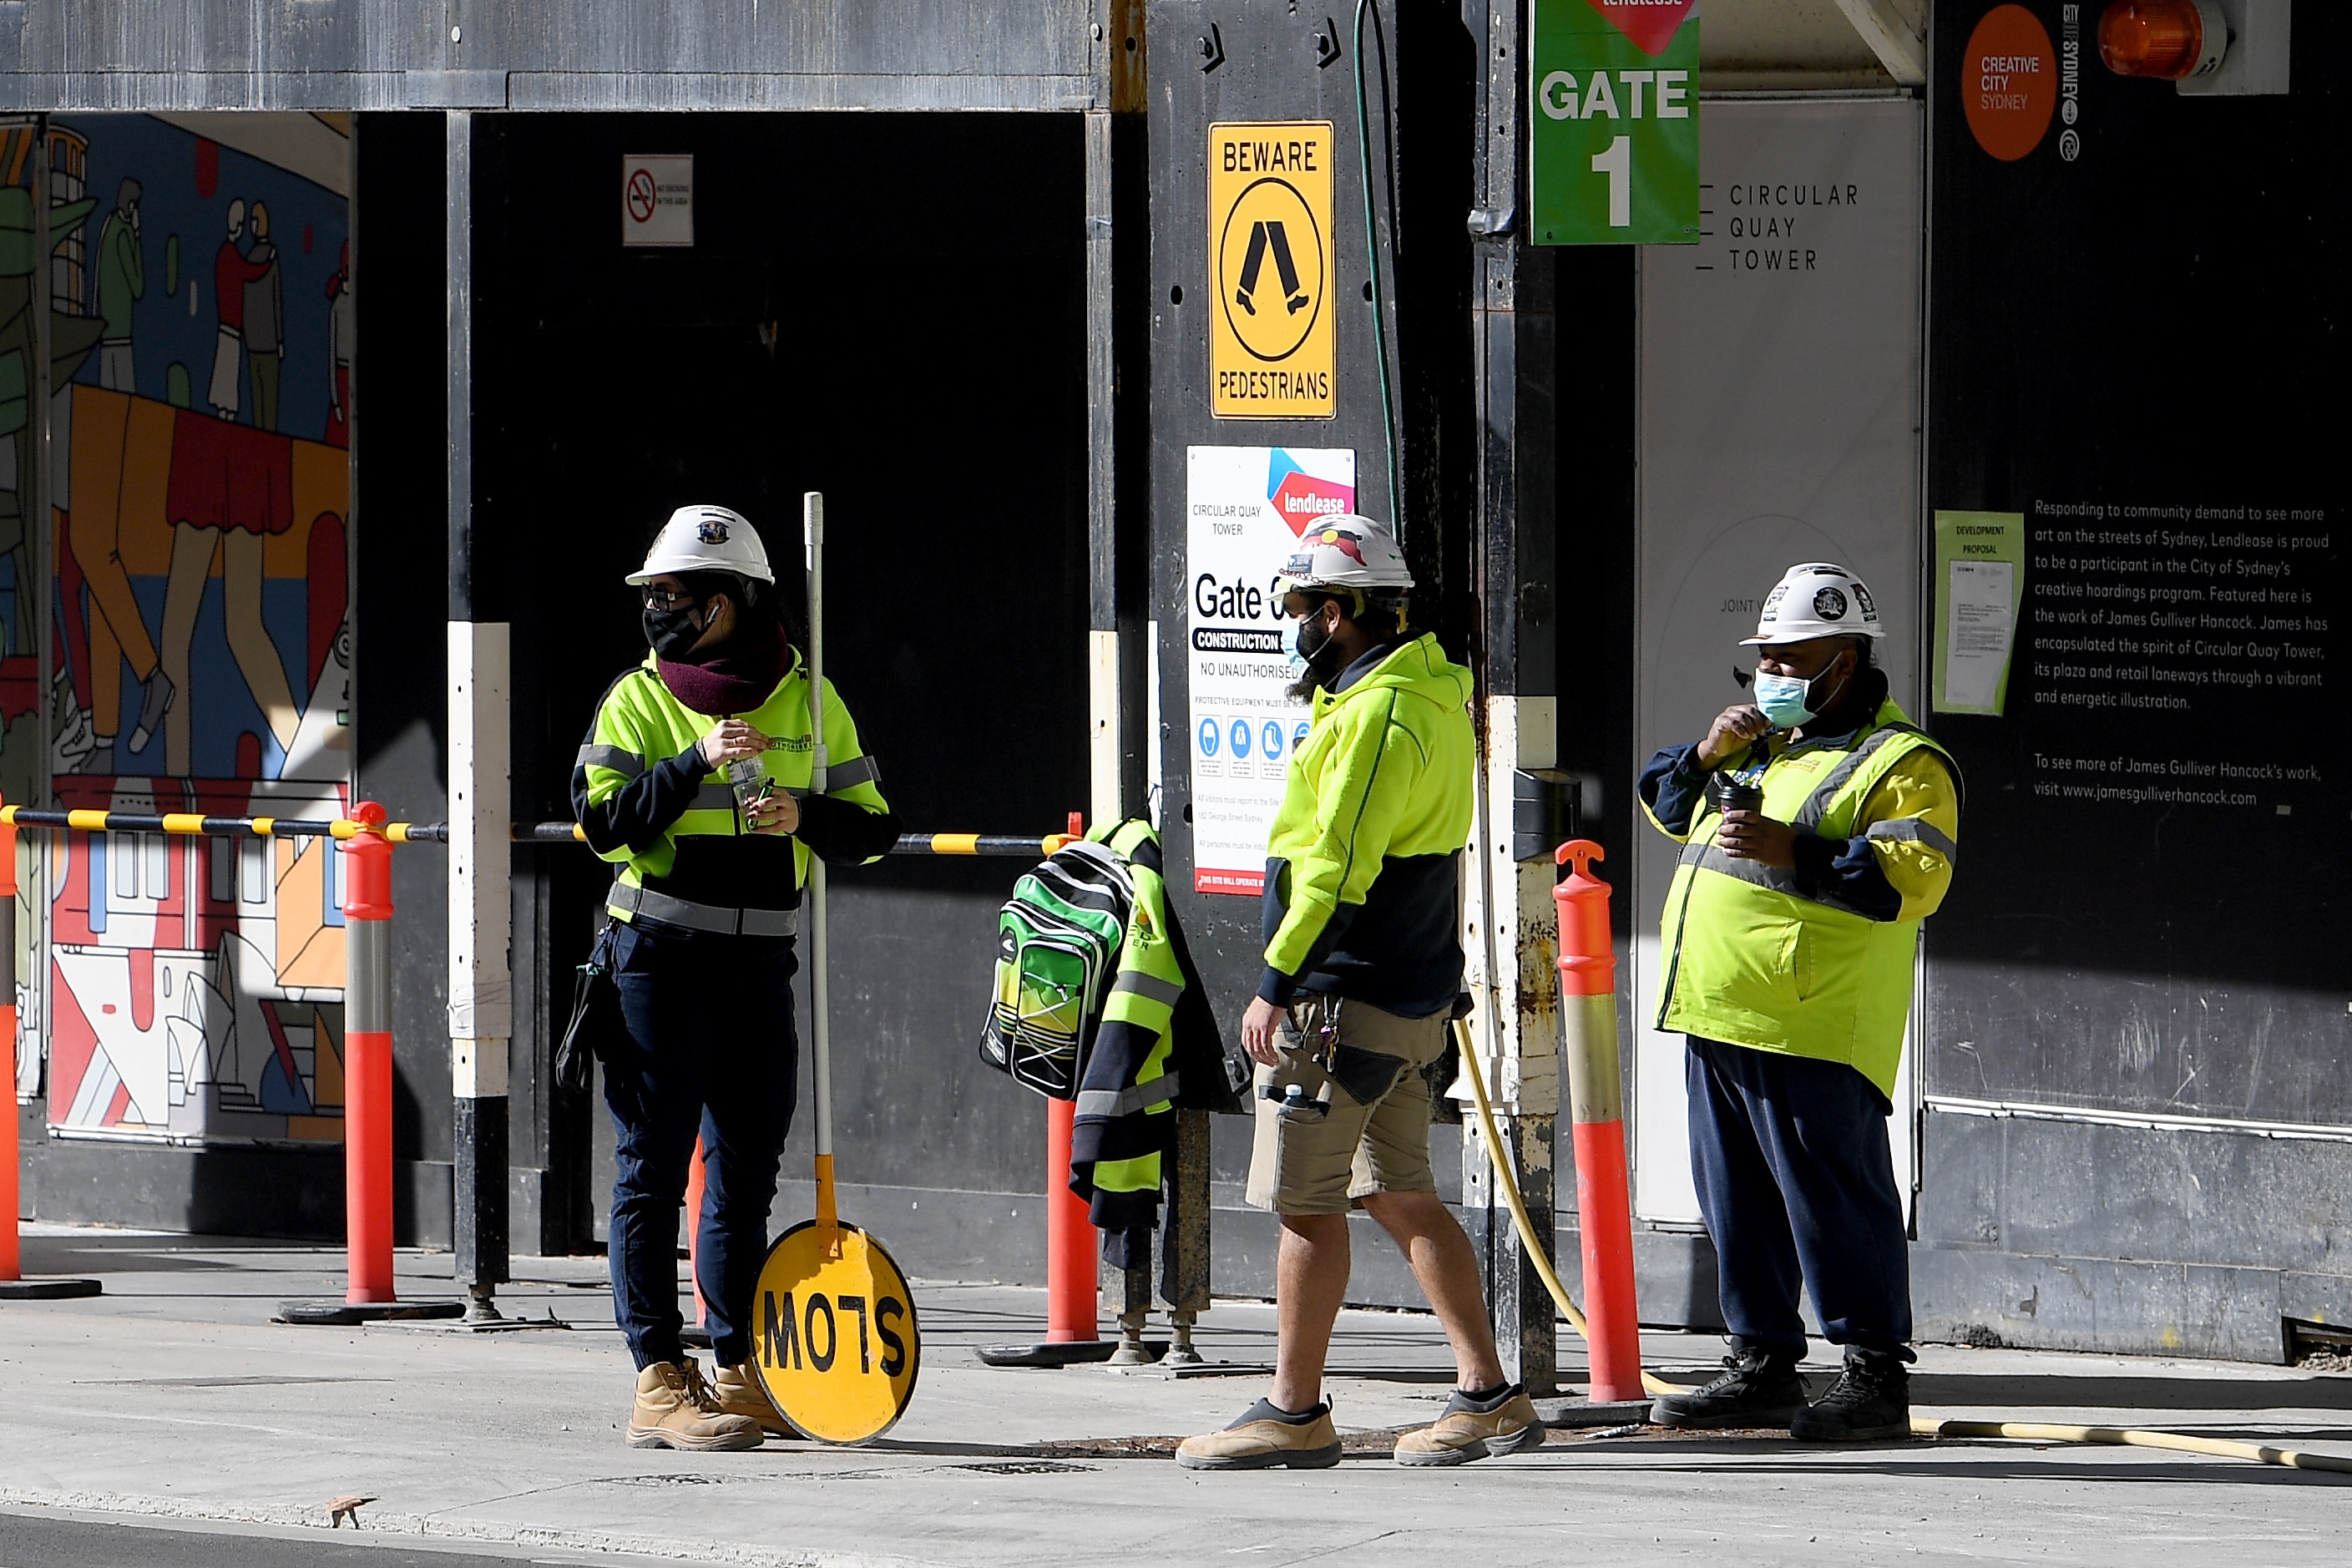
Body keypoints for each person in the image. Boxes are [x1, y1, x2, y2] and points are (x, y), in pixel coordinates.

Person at [1176, 515, 1543, 1472]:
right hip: (1407, 1005)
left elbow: (1335, 869)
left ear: (1337, 613)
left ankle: (1294, 1411)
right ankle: (1488, 1397)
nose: (1293, 623)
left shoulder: (1381, 714)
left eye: (1299, 607)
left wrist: (1274, 986)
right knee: (1404, 1193)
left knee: (1307, 1205)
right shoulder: (1419, 699)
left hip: (1344, 1004)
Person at [573, 503, 899, 1451]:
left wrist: (807, 814)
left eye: (673, 596)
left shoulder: (810, 698)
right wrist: (690, 764)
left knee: (746, 1174)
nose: (657, 611)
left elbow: (875, 827)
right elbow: (602, 825)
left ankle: (737, 1366)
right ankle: (656, 1379)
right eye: (654, 596)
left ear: (727, 603)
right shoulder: (637, 699)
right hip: (657, 966)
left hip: (763, 966)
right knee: (652, 1169)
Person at [1639, 563, 1960, 1442]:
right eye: (1764, 662)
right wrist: (1704, 753)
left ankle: (1872, 1379)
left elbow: (1914, 880)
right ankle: (1762, 1366)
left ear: (1845, 662)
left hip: (1813, 1020)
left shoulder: (1904, 762)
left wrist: (1798, 850)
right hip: (1717, 1012)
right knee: (1736, 1201)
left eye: (1792, 660)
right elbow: (1664, 802)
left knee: (1834, 1203)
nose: (1773, 677)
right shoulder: (1761, 749)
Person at [94, 178, 142, 392]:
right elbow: (138, 287)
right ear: (131, 205)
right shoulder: (123, 234)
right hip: (120, 334)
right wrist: (137, 236)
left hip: (106, 332)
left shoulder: (109, 225)